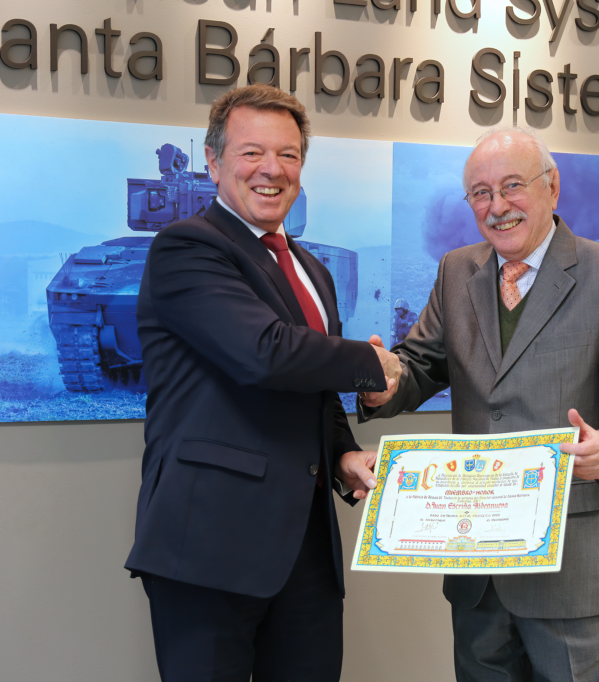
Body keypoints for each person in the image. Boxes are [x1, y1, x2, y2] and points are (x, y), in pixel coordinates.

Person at [359, 126, 599, 682]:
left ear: (551, 187)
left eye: (513, 186)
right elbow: (419, 366)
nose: (497, 206)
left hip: (575, 570)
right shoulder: (456, 270)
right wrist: (385, 382)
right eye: (480, 193)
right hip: (477, 571)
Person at [125, 84, 400, 682]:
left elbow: (314, 390)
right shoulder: (186, 247)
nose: (272, 169)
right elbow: (264, 353)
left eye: (288, 154)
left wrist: (343, 453)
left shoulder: (313, 269)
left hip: (305, 548)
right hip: (207, 546)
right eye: (251, 153)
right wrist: (373, 363)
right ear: (213, 161)